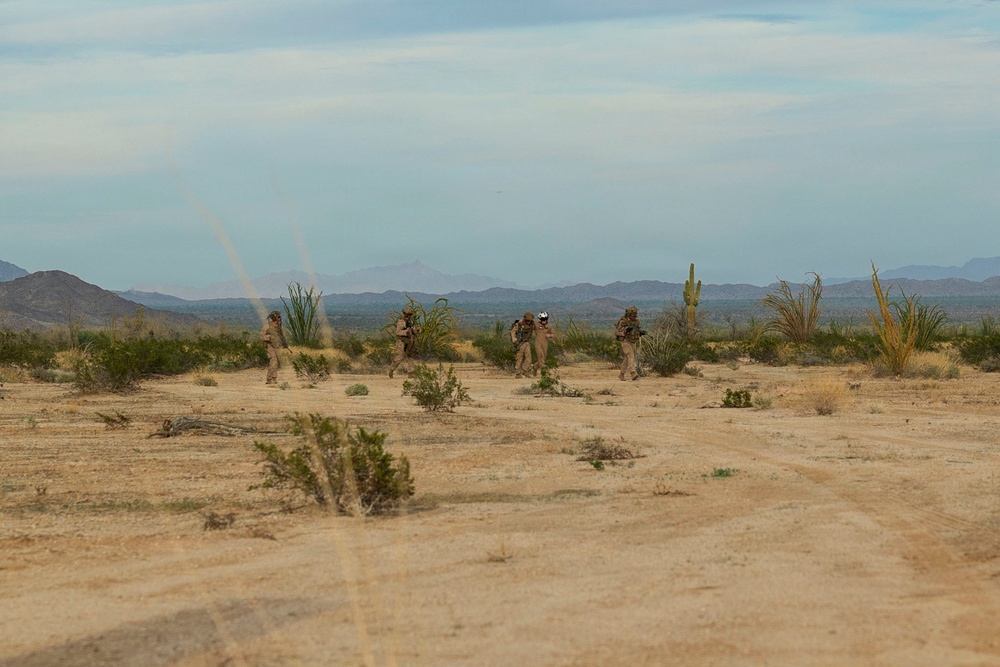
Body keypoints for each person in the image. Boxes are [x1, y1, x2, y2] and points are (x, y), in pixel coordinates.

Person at [388, 306, 421, 379]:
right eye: (406, 314)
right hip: (402, 342)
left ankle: (410, 373)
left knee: (410, 357)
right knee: (399, 358)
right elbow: (397, 332)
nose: (408, 316)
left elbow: (412, 332)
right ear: (403, 314)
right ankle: (392, 369)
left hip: (410, 342)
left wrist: (416, 331)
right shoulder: (401, 322)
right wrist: (406, 332)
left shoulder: (411, 322)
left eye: (409, 315)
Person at [260, 310, 290, 385]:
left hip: (277, 346)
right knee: (273, 361)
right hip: (269, 346)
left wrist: (285, 344)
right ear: (274, 318)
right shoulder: (267, 327)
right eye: (278, 317)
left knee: (276, 362)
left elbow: (283, 336)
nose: (280, 318)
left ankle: (270, 378)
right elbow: (261, 336)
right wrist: (269, 337)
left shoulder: (280, 327)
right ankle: (272, 378)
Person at [615, 306, 645, 381]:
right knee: (631, 356)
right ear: (628, 314)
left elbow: (636, 330)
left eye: (635, 315)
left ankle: (621, 374)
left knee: (627, 358)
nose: (634, 316)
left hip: (632, 342)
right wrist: (627, 330)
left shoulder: (636, 322)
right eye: (632, 315)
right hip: (625, 341)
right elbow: (620, 331)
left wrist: (640, 333)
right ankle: (633, 373)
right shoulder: (623, 321)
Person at [509, 311, 536, 378]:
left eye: (530, 320)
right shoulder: (519, 324)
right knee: (519, 358)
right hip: (520, 343)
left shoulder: (532, 324)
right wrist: (515, 342)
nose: (529, 322)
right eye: (528, 320)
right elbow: (513, 333)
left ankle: (525, 371)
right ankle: (518, 373)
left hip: (526, 342)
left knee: (529, 358)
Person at [532, 311, 556, 376]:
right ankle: (544, 373)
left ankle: (535, 367)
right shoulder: (536, 324)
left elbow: (554, 334)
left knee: (543, 358)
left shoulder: (549, 326)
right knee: (540, 357)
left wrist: (550, 335)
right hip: (538, 342)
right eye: (542, 319)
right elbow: (529, 325)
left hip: (545, 343)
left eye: (545, 319)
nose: (544, 321)